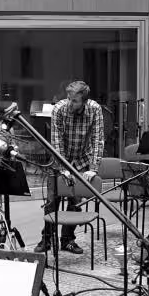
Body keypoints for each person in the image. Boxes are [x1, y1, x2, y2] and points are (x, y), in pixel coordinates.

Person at [34, 80, 105, 254]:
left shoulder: (95, 109)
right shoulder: (59, 109)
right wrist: (63, 169)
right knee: (52, 202)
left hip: (82, 159)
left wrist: (93, 168)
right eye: (69, 98)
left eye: (74, 101)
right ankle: (46, 239)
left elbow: (98, 139)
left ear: (84, 101)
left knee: (75, 202)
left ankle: (67, 240)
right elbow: (56, 142)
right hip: (59, 159)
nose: (70, 103)